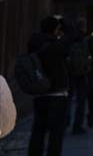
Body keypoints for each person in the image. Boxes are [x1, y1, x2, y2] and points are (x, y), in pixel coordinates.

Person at [27, 16, 70, 156]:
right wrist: (63, 25)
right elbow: (71, 37)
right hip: (57, 93)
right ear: (54, 29)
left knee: (38, 130)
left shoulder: (34, 44)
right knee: (56, 133)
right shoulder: (57, 46)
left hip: (40, 92)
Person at [65, 18, 90, 135]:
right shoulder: (86, 39)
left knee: (68, 100)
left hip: (69, 73)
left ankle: (65, 122)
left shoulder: (68, 39)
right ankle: (77, 125)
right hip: (82, 74)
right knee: (81, 101)